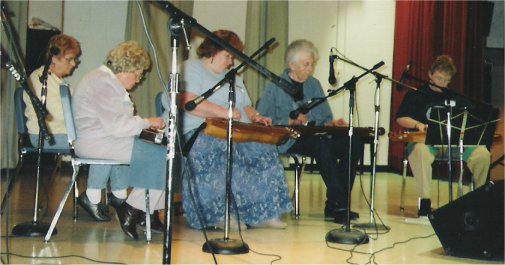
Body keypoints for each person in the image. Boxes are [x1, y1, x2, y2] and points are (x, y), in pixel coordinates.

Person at [177, 29, 292, 230]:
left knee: (264, 149)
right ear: (213, 51)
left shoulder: (234, 76)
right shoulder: (191, 68)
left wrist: (255, 116)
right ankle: (217, 215)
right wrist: (223, 112)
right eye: (228, 56)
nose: (231, 62)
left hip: (233, 129)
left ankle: (262, 212)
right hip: (200, 129)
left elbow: (245, 104)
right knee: (217, 148)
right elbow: (186, 100)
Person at [256, 39, 361, 224]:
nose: (310, 68)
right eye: (306, 64)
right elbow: (263, 119)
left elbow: (325, 117)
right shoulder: (274, 86)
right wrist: (289, 121)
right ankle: (339, 203)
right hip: (289, 138)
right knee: (322, 144)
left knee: (354, 142)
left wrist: (332, 123)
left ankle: (335, 204)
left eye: (312, 64)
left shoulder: (314, 84)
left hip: (316, 137)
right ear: (292, 64)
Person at [72, 41, 167, 239]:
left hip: (104, 139)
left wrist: (142, 125)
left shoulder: (105, 81)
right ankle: (132, 209)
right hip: (97, 143)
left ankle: (147, 213)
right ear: (129, 70)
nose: (138, 81)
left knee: (164, 150)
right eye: (139, 75)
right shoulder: (102, 83)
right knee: (161, 155)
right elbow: (118, 127)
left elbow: (118, 123)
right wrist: (146, 122)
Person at [396, 55, 490, 217]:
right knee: (420, 152)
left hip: (455, 145)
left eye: (446, 80)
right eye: (439, 78)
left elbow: (474, 118)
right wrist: (418, 125)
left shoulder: (457, 98)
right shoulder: (416, 94)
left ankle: (479, 198)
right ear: (430, 74)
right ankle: (424, 202)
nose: (442, 83)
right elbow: (401, 118)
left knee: (482, 153)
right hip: (426, 143)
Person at [24, 34, 81, 150]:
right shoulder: (40, 80)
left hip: (60, 133)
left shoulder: (56, 81)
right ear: (54, 58)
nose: (74, 64)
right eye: (69, 59)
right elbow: (55, 115)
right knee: (97, 142)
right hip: (44, 136)